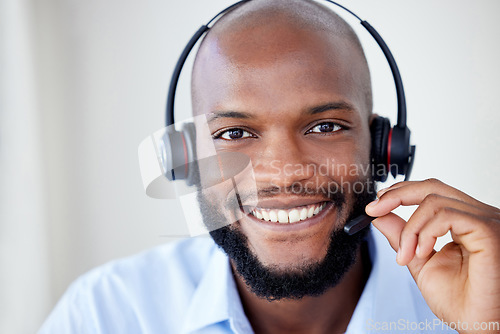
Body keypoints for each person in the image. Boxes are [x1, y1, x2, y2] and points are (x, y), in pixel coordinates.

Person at [39, 1, 500, 333]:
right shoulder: (105, 314)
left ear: (382, 149)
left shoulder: (476, 300)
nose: (284, 172)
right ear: (187, 157)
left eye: (325, 126)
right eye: (234, 133)